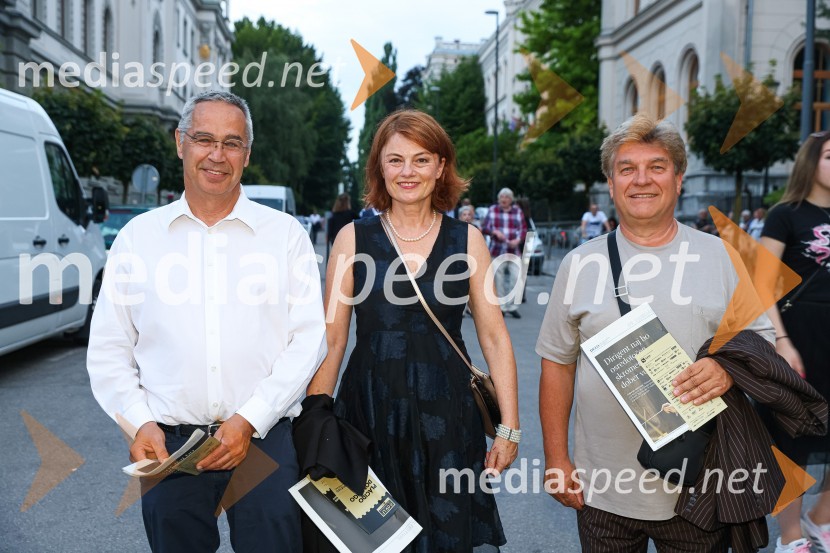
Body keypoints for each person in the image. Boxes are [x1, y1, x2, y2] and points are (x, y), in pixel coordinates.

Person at [86, 90, 327, 552]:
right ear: (180, 143)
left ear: (247, 155)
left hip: (263, 439)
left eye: (232, 143)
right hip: (169, 444)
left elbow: (308, 341)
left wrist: (248, 420)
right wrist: (139, 424)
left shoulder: (285, 237)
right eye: (204, 139)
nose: (217, 155)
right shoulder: (138, 239)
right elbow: (110, 349)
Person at [536, 113, 775, 552]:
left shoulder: (721, 256)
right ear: (611, 184)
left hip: (699, 486)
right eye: (627, 169)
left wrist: (727, 371)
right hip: (601, 488)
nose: (641, 180)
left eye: (657, 167)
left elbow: (761, 340)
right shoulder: (579, 264)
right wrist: (556, 460)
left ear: (679, 179)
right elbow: (557, 364)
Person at [307, 109, 520, 552]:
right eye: (395, 160)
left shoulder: (468, 240)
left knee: (447, 540)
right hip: (368, 413)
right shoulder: (352, 238)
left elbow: (495, 336)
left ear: (441, 167)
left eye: (421, 160)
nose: (408, 172)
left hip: (449, 418)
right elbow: (332, 338)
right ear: (379, 167)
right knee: (370, 542)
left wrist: (509, 428)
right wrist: (313, 421)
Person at [759, 132, 830, 553]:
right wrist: (782, 341)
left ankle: (821, 520)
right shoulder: (785, 214)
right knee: (793, 441)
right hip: (800, 337)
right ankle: (791, 538)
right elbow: (761, 284)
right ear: (810, 162)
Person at [481, 187, 527, 318]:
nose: (504, 200)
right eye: (502, 197)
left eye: (507, 197)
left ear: (511, 200)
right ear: (498, 199)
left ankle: (511, 306)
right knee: (498, 279)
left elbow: (523, 229)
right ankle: (501, 306)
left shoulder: (517, 211)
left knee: (517, 277)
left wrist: (518, 240)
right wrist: (494, 232)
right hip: (497, 250)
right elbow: (485, 228)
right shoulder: (492, 210)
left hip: (514, 250)